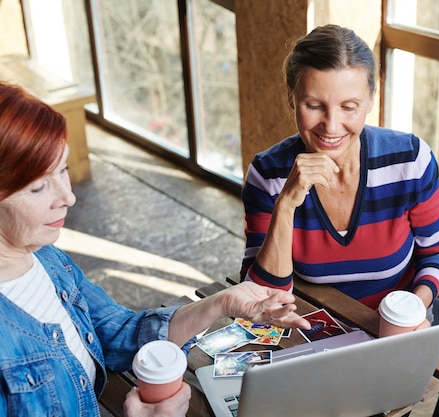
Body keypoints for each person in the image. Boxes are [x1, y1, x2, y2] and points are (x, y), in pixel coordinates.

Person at [0, 81, 311, 417]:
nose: (68, 197)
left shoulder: (46, 259)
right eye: (38, 187)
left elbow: (116, 333)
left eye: (63, 169)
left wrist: (220, 303)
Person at [240, 24, 439, 325]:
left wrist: (413, 308)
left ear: (370, 99)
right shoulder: (267, 174)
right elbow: (262, 298)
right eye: (314, 106)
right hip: (314, 323)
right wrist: (286, 205)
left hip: (396, 321)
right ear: (292, 98)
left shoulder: (410, 160)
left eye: (349, 107)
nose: (331, 126)